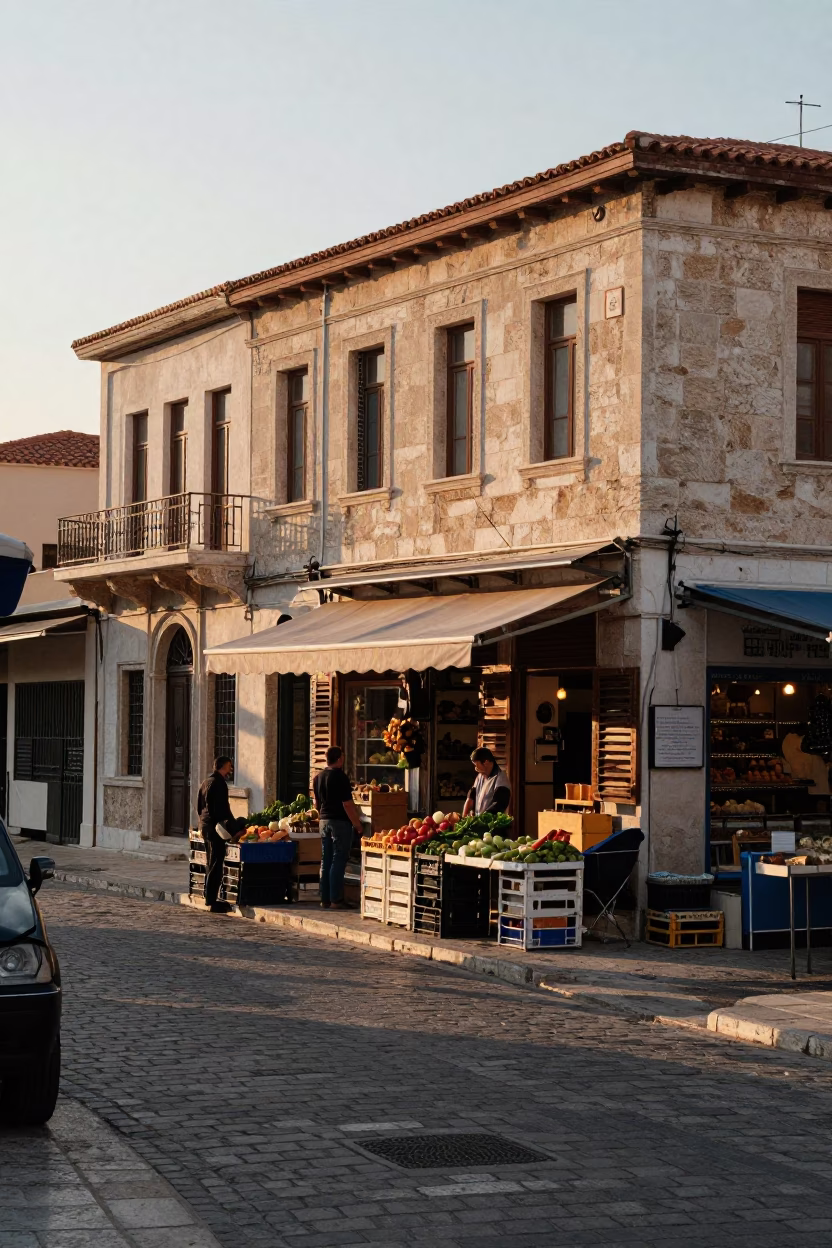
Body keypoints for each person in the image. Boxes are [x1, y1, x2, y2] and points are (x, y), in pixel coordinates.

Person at [312, 745, 362, 910]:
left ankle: (325, 898)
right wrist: (357, 824)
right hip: (339, 822)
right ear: (339, 759)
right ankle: (336, 899)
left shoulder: (318, 777)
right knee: (338, 859)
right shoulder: (341, 777)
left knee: (326, 859)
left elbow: (316, 804)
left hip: (324, 821)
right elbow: (347, 804)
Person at [197, 755, 247, 913]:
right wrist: (233, 828)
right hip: (215, 828)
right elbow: (222, 810)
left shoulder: (206, 782)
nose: (230, 769)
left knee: (211, 862)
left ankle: (209, 896)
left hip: (206, 826)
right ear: (223, 767)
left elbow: (199, 806)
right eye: (229, 766)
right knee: (216, 863)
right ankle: (212, 900)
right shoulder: (219, 783)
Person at [462, 747, 511, 816]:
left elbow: (498, 806)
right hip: (478, 820)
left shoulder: (501, 780)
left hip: (492, 821)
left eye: (476, 765)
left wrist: (482, 819)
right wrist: (464, 816)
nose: (475, 768)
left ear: (486, 762)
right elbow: (471, 797)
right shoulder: (480, 777)